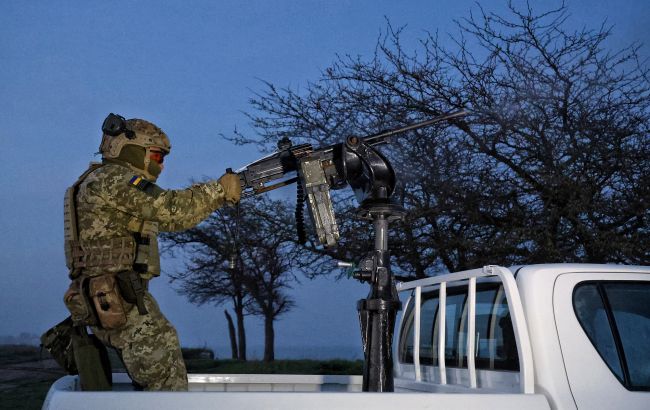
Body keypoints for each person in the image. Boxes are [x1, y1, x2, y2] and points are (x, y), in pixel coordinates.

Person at [62, 113, 241, 391]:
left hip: (110, 295)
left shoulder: (100, 180)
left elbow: (171, 219)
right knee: (165, 378)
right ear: (131, 149)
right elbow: (169, 208)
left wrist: (217, 198)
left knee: (158, 373)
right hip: (116, 297)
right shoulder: (113, 179)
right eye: (156, 156)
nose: (161, 164)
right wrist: (218, 190)